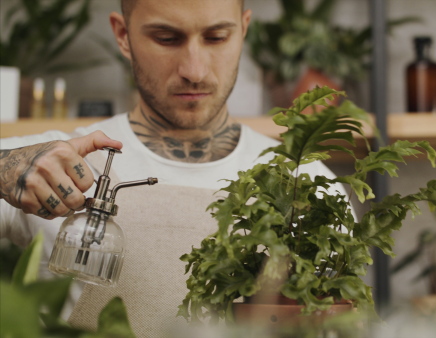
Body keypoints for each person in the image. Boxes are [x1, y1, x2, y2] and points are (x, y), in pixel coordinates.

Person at [0, 0, 345, 336]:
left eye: (216, 38)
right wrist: (5, 168)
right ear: (123, 35)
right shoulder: (49, 166)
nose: (194, 71)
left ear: (243, 30)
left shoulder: (305, 183)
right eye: (167, 39)